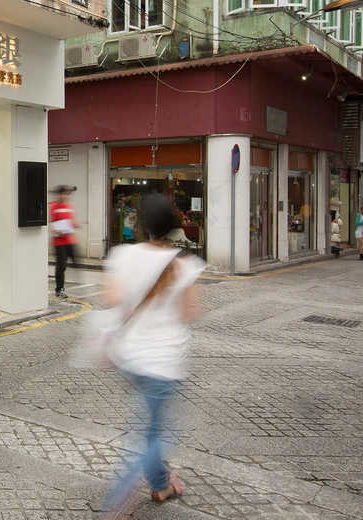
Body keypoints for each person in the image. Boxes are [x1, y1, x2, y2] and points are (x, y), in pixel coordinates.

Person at [98, 194, 205, 518]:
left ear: (142, 224)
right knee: (155, 434)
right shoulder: (182, 265)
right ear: (173, 226)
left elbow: (110, 297)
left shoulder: (122, 255)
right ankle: (120, 497)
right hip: (163, 362)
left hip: (129, 357)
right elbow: (189, 313)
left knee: (151, 426)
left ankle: (160, 482)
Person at [50, 185, 79, 298]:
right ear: (59, 194)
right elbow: (52, 225)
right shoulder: (53, 206)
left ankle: (66, 284)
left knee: (75, 262)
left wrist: (75, 224)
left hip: (70, 240)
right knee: (61, 266)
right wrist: (57, 230)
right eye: (64, 193)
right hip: (59, 242)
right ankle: (59, 289)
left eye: (67, 194)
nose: (66, 196)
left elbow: (71, 221)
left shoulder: (69, 207)